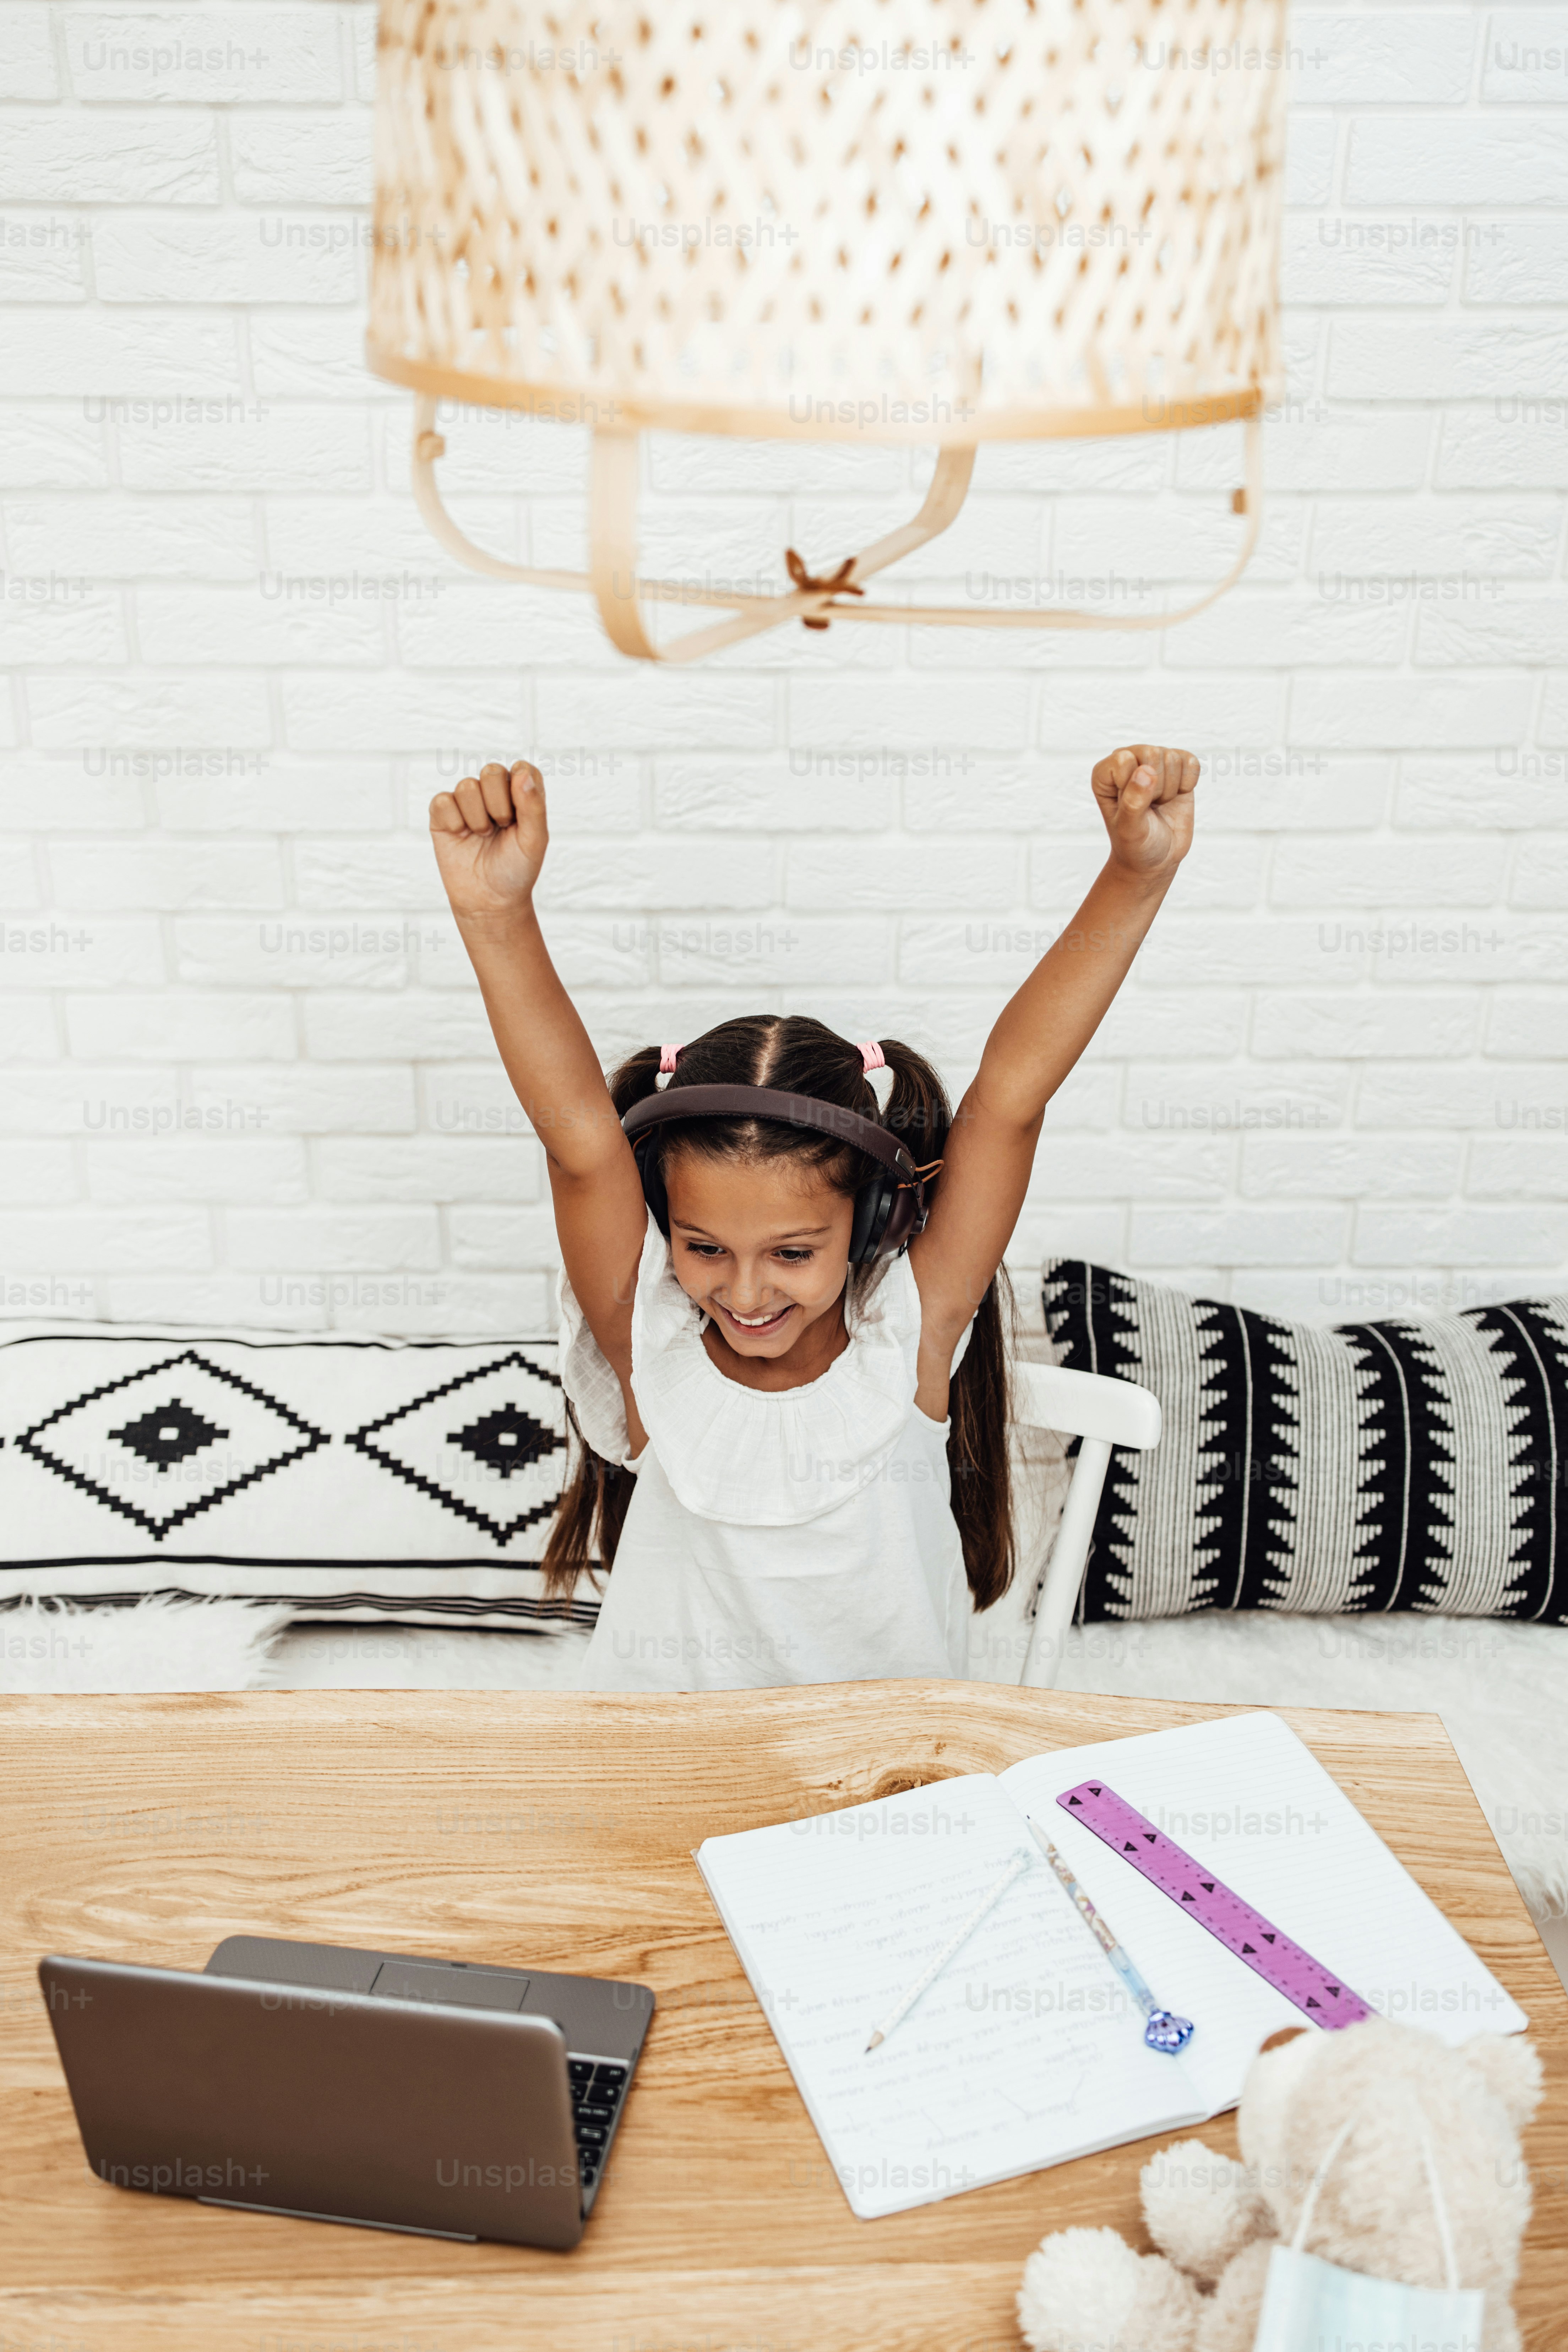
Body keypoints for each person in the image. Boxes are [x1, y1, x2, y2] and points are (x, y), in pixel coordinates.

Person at [430, 746, 1199, 1690]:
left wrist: (1136, 873)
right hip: (665, 1773)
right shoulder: (652, 1341)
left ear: (876, 1225)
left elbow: (1010, 1100)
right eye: (704, 1247)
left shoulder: (908, 1341)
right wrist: (494, 913)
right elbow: (579, 1143)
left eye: (792, 1252)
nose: (743, 1291)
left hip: (881, 1786)